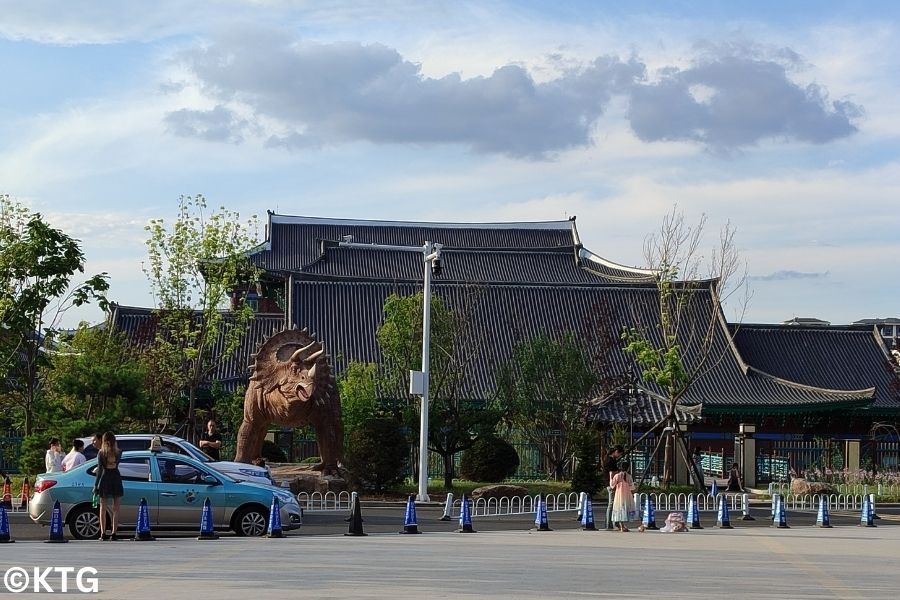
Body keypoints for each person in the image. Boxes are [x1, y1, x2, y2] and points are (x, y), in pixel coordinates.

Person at [93, 432, 124, 541]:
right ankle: (114, 532)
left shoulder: (101, 453)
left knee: (103, 507)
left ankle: (103, 533)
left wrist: (96, 485)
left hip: (105, 477)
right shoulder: (119, 452)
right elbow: (118, 464)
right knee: (116, 507)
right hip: (115, 476)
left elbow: (100, 470)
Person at [610, 461, 637, 532]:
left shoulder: (617, 476)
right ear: (628, 468)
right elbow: (632, 487)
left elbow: (612, 485)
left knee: (619, 509)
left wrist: (610, 477)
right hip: (627, 494)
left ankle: (621, 526)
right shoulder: (629, 476)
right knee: (625, 508)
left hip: (619, 494)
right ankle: (623, 526)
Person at [603, 445, 624, 530]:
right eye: (619, 453)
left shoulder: (611, 459)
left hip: (611, 483)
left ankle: (611, 524)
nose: (619, 455)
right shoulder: (610, 460)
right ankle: (608, 524)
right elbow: (612, 473)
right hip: (611, 483)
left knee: (613, 504)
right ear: (616, 451)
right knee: (611, 504)